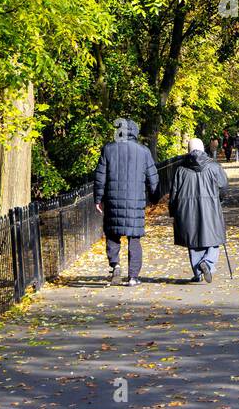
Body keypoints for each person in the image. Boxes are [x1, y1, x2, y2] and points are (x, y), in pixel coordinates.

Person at [94, 118, 160, 286]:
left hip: (113, 201)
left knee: (112, 235)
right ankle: (133, 277)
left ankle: (115, 265)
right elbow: (153, 178)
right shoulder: (143, 151)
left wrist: (98, 199)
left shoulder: (108, 150)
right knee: (134, 238)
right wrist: (154, 197)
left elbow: (100, 177)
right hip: (135, 202)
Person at [169, 138, 229, 283]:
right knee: (214, 239)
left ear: (188, 150)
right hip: (210, 207)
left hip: (186, 210)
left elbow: (174, 193)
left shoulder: (180, 170)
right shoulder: (214, 167)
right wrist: (219, 199)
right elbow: (223, 186)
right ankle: (207, 263)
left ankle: (198, 273)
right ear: (203, 149)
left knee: (193, 241)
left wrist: (173, 211)